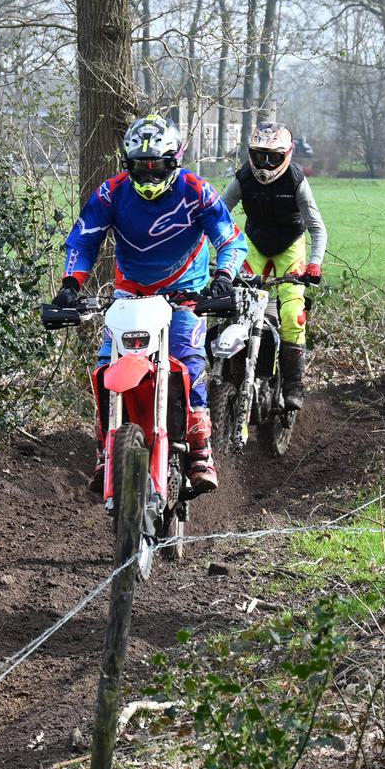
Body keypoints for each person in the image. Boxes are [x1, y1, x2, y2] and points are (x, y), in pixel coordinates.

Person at [53, 114, 244, 495]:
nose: (150, 174)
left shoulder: (196, 190)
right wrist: (70, 286)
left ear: (175, 160)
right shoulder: (111, 193)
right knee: (107, 363)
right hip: (131, 294)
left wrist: (222, 279)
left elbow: (230, 239)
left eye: (158, 165)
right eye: (141, 166)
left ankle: (200, 448)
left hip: (184, 292)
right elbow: (83, 240)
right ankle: (106, 448)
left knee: (189, 357)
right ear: (128, 164)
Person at [220, 121, 327, 411]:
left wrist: (314, 264)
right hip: (253, 244)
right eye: (259, 156)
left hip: (290, 246)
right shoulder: (243, 178)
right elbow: (217, 214)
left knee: (293, 313)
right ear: (250, 154)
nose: (265, 164)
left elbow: (317, 228)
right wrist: (213, 257)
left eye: (273, 157)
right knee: (235, 304)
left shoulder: (296, 181)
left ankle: (294, 384)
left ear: (287, 155)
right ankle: (229, 372)